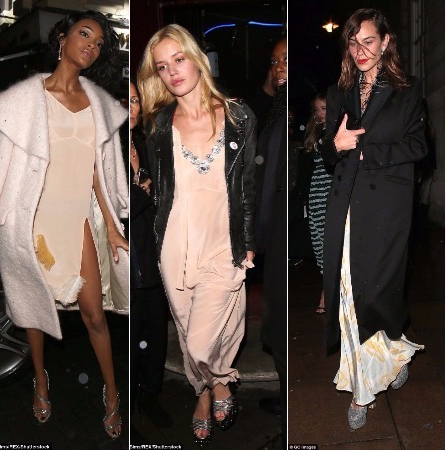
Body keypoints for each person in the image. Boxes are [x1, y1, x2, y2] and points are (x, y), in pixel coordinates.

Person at [0, 10, 128, 439]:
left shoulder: (98, 104)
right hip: (33, 219)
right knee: (35, 312)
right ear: (62, 38)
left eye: (98, 43)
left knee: (94, 314)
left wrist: (112, 223)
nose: (91, 46)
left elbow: (97, 171)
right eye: (84, 34)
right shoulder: (25, 99)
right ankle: (40, 381)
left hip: (77, 217)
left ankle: (113, 392)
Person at [137, 24, 256, 447]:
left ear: (197, 59)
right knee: (188, 332)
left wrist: (248, 241)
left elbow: (247, 186)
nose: (172, 72)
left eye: (179, 59)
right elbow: (159, 189)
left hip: (223, 242)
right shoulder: (158, 125)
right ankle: (202, 395)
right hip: (175, 245)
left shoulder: (239, 116)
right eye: (162, 67)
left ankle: (219, 381)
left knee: (203, 344)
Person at [320, 8, 427, 430]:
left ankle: (393, 352)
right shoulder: (339, 91)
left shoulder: (407, 90)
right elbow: (329, 152)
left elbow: (419, 146)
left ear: (385, 42)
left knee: (378, 294)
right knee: (349, 295)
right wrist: (336, 145)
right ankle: (361, 389)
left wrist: (364, 151)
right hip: (345, 207)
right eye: (353, 42)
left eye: (368, 41)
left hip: (386, 212)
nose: (361, 50)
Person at [128, 80, 172, 430]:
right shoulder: (103, 147)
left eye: (134, 101)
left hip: (153, 252)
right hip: (124, 255)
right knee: (130, 336)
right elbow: (119, 205)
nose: (131, 107)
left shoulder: (143, 143)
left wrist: (146, 190)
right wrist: (145, 191)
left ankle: (150, 396)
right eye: (123, 101)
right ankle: (127, 405)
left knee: (156, 332)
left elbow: (161, 188)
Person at [256, 37, 288, 448]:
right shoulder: (277, 110)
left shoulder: (294, 112)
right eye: (275, 60)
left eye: (286, 59)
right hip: (272, 234)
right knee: (276, 323)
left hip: (285, 233)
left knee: (281, 323)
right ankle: (285, 398)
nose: (279, 66)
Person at [303, 93, 331, 313]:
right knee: (319, 242)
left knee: (333, 242)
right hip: (316, 192)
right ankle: (327, 286)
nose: (320, 113)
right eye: (317, 109)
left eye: (324, 108)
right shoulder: (315, 132)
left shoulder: (338, 130)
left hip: (333, 190)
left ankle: (327, 291)